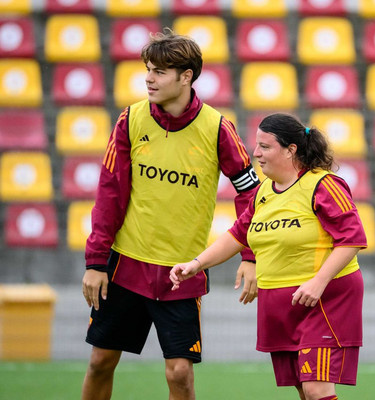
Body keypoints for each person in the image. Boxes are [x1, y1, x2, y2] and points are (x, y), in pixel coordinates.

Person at [81, 28, 260, 400]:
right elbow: (109, 193)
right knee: (100, 361)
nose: (149, 78)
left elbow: (251, 194)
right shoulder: (130, 120)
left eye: (159, 72)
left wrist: (250, 255)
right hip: (125, 265)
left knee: (179, 373)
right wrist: (96, 262)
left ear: (186, 76)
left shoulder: (218, 129)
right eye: (148, 69)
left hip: (182, 272)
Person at [170, 113, 367, 400]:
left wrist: (319, 282)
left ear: (290, 150)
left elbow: (353, 239)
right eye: (257, 145)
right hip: (281, 303)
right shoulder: (263, 191)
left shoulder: (324, 185)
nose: (256, 153)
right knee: (304, 389)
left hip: (324, 299)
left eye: (265, 146)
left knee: (316, 389)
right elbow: (237, 235)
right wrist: (196, 264)